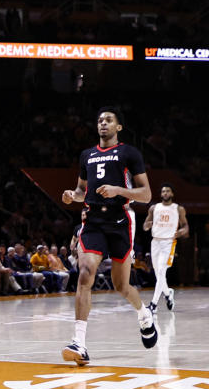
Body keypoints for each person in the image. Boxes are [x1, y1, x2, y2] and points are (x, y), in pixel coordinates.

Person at [60, 107, 156, 366]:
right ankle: (79, 343)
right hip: (92, 222)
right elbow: (82, 190)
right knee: (84, 273)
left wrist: (118, 190)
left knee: (121, 286)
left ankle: (144, 315)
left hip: (120, 221)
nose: (103, 123)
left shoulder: (128, 153)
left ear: (119, 127)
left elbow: (146, 195)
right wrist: (73, 195)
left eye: (109, 120)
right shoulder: (86, 155)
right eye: (100, 119)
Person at [143, 183, 189, 314]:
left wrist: (181, 232)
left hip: (168, 242)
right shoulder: (154, 208)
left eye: (168, 191)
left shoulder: (178, 209)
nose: (165, 193)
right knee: (158, 274)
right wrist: (147, 225)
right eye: (163, 191)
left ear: (172, 194)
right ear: (161, 194)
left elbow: (186, 226)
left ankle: (153, 304)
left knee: (162, 271)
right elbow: (145, 225)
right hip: (155, 241)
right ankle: (168, 294)